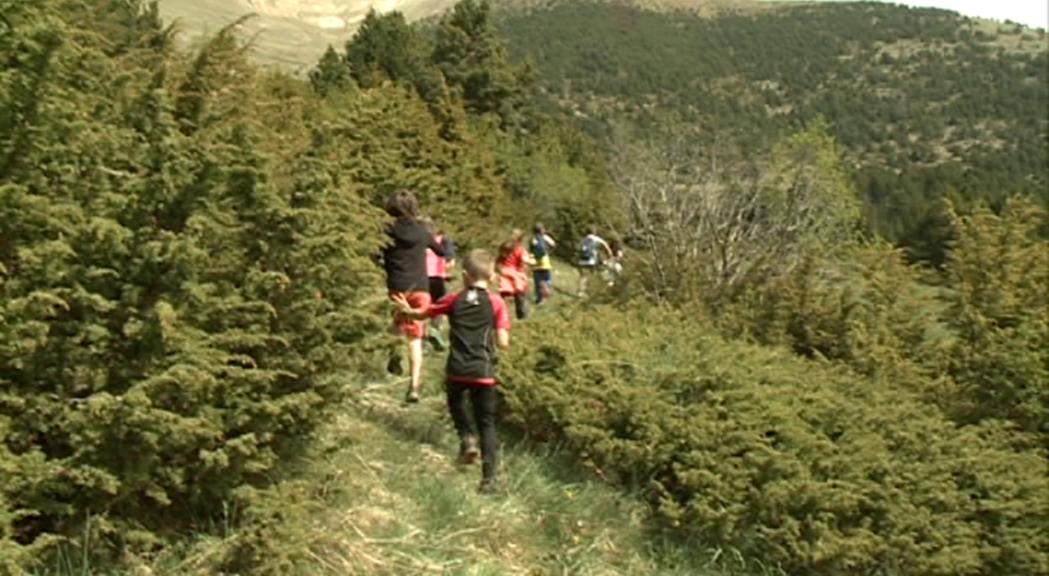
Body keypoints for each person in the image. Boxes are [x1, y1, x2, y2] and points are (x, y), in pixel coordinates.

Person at [393, 250, 511, 494]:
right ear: (490, 276)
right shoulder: (497, 303)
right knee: (487, 424)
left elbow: (422, 314)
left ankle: (467, 439)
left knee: (456, 405)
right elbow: (503, 341)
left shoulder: (453, 299)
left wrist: (407, 311)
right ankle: (489, 480)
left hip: (457, 369)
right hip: (484, 370)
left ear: (466, 276)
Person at [382, 190, 444, 404]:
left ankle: (393, 353)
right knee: (415, 339)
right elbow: (441, 251)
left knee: (397, 324)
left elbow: (374, 254)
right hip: (420, 287)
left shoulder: (387, 231)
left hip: (397, 287)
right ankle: (414, 387)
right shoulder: (421, 232)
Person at [497, 229, 534, 320]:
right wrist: (532, 262)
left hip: (505, 275)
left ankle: (502, 317)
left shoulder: (504, 248)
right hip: (517, 276)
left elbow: (498, 261)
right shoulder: (520, 250)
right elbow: (524, 262)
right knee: (521, 297)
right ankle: (523, 317)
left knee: (505, 298)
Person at [577, 227, 612, 296]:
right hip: (592, 260)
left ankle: (581, 292)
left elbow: (579, 249)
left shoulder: (583, 239)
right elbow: (606, 247)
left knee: (584, 276)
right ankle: (609, 282)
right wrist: (610, 256)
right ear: (594, 232)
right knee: (601, 270)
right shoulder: (597, 239)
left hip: (582, 260)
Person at [530, 223, 557, 306]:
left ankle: (539, 299)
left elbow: (530, 250)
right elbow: (553, 244)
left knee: (537, 282)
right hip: (545, 262)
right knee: (547, 280)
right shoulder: (545, 237)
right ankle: (546, 291)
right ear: (542, 230)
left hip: (535, 263)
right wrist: (549, 251)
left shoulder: (532, 239)